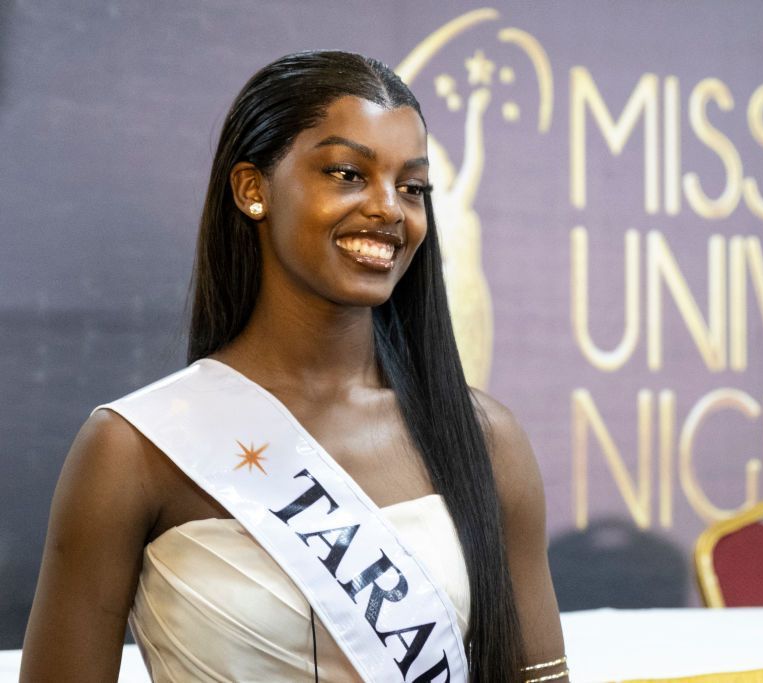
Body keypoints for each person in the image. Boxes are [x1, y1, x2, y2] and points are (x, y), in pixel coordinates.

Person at [20, 51, 566, 682]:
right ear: (253, 189)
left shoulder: (482, 437)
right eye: (346, 173)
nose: (390, 208)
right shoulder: (133, 449)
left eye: (412, 187)